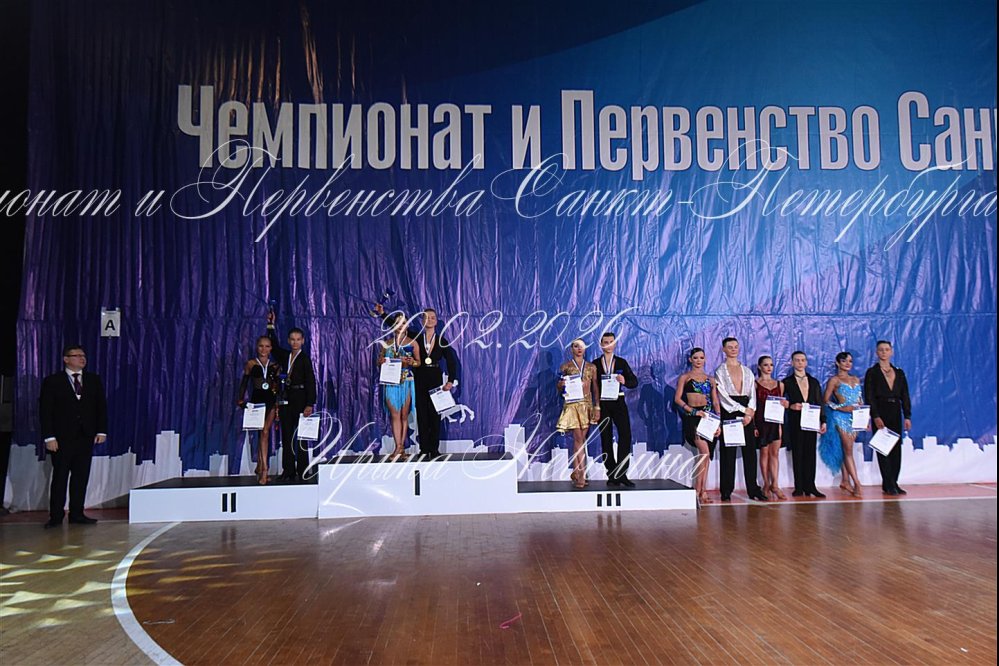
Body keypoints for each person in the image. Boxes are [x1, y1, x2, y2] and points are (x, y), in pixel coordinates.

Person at [39, 345, 108, 527]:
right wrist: (49, 437)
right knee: (60, 477)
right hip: (61, 439)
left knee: (80, 477)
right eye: (77, 356)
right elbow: (45, 411)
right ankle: (56, 515)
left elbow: (100, 408)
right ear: (66, 359)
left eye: (83, 355)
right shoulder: (53, 381)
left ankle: (77, 513)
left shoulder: (93, 380)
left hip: (85, 437)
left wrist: (101, 431)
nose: (82, 359)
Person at [266, 313, 317, 482]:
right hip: (286, 398)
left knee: (301, 438)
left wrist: (309, 403)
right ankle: (288, 470)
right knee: (287, 436)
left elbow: (311, 381)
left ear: (303, 341)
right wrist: (270, 326)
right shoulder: (285, 356)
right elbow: (274, 346)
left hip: (301, 399)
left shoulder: (304, 359)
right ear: (289, 341)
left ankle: (303, 470)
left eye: (298, 339)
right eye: (292, 339)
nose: (295, 342)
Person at [714, 337, 767, 502]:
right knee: (728, 453)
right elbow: (722, 396)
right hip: (730, 411)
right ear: (724, 349)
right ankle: (726, 490)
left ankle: (753, 489)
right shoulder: (720, 371)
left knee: (750, 452)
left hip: (747, 413)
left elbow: (752, 393)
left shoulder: (747, 371)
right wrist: (743, 411)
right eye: (730, 347)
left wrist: (749, 413)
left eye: (736, 346)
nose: (733, 349)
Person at [864, 340, 913, 495]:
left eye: (886, 349)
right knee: (883, 448)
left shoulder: (899, 372)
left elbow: (905, 395)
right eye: (881, 350)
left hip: (895, 410)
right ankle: (888, 483)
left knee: (896, 448)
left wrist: (907, 416)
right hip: (880, 410)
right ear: (876, 352)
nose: (884, 352)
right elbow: (869, 396)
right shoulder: (872, 372)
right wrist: (875, 416)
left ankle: (894, 482)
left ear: (891, 351)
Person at [591, 332, 639, 487]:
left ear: (615, 344)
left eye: (611, 342)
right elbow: (593, 386)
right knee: (605, 438)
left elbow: (634, 382)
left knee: (625, 435)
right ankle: (611, 474)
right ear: (601, 344)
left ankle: (622, 473)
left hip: (618, 401)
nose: (608, 345)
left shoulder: (621, 363)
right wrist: (596, 406)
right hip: (603, 404)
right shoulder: (595, 364)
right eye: (605, 342)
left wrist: (625, 380)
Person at [674, 347, 721, 504]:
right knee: (704, 453)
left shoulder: (711, 380)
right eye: (695, 358)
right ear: (690, 360)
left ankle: (702, 491)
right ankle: (698, 490)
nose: (699, 360)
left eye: (701, 357)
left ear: (705, 359)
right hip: (693, 418)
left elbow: (715, 402)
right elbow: (677, 399)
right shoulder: (685, 377)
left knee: (706, 456)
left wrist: (718, 423)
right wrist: (693, 411)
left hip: (708, 419)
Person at [412, 308, 460, 458]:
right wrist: (382, 314)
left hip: (435, 377)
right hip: (420, 377)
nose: (430, 320)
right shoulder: (416, 338)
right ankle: (424, 449)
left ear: (436, 321)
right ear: (422, 321)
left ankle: (434, 449)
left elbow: (451, 361)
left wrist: (450, 381)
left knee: (434, 415)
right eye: (427, 317)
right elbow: (398, 327)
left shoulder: (441, 341)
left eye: (433, 317)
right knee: (421, 414)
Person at [237, 336, 283, 484]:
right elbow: (244, 382)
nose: (264, 349)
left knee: (265, 432)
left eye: (267, 346)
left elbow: (277, 387)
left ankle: (264, 470)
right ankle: (260, 465)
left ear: (271, 349)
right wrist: (240, 399)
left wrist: (278, 403)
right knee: (260, 433)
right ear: (257, 347)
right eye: (261, 346)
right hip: (256, 401)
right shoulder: (251, 364)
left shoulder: (275, 365)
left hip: (270, 400)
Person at [781, 351, 828, 497]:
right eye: (797, 360)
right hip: (795, 421)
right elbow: (780, 402)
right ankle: (799, 486)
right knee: (797, 453)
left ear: (806, 363)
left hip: (811, 420)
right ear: (792, 363)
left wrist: (823, 420)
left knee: (810, 453)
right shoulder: (787, 382)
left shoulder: (814, 382)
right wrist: (790, 406)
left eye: (802, 360)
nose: (800, 363)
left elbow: (819, 402)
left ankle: (811, 486)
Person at [556, 339, 600, 489]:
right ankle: (581, 474)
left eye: (581, 346)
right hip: (572, 406)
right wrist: (561, 385)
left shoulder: (591, 367)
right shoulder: (566, 367)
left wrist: (597, 406)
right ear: (571, 349)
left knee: (581, 440)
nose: (579, 349)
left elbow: (595, 388)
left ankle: (576, 471)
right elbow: (560, 386)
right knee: (578, 439)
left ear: (585, 349)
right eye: (576, 346)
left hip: (586, 406)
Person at [378, 312, 421, 460]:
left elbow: (418, 362)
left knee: (404, 415)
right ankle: (399, 447)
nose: (400, 326)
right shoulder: (387, 343)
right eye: (397, 323)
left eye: (403, 323)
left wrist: (411, 362)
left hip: (406, 381)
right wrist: (381, 361)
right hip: (391, 382)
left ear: (407, 325)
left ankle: (400, 448)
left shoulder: (412, 343)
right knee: (395, 415)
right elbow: (379, 360)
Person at [821, 352, 865, 497]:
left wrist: (864, 417)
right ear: (838, 363)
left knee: (847, 449)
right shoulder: (834, 380)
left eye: (850, 361)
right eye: (844, 361)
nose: (848, 364)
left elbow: (860, 400)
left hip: (856, 418)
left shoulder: (855, 379)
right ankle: (857, 483)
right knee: (848, 450)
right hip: (841, 417)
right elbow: (825, 400)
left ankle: (845, 480)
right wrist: (840, 408)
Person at [754, 356, 785, 500]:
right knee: (764, 453)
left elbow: (781, 404)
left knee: (775, 453)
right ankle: (766, 484)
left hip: (775, 422)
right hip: (761, 422)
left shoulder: (779, 384)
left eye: (771, 365)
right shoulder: (755, 384)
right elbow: (753, 406)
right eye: (766, 365)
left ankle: (775, 484)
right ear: (760, 367)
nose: (769, 368)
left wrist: (785, 404)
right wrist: (754, 426)